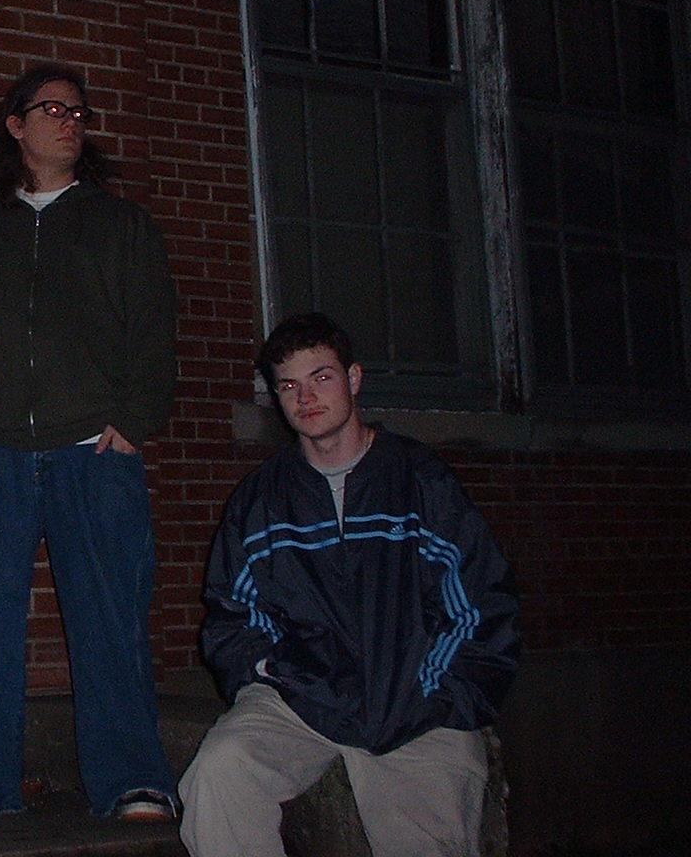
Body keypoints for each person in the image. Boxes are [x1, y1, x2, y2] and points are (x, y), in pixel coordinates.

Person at [0, 63, 181, 821]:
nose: (70, 122)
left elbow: (155, 333)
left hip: (94, 454)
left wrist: (135, 421)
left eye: (79, 112)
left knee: (111, 622)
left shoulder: (122, 227)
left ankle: (132, 781)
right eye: (53, 109)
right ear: (16, 125)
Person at [179, 313, 520, 857]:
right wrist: (275, 671)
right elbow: (233, 615)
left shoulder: (418, 480)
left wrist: (438, 694)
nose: (306, 397)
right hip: (305, 701)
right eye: (288, 385)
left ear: (354, 378)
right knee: (219, 773)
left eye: (321, 377)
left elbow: (479, 603)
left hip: (417, 703)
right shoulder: (261, 499)